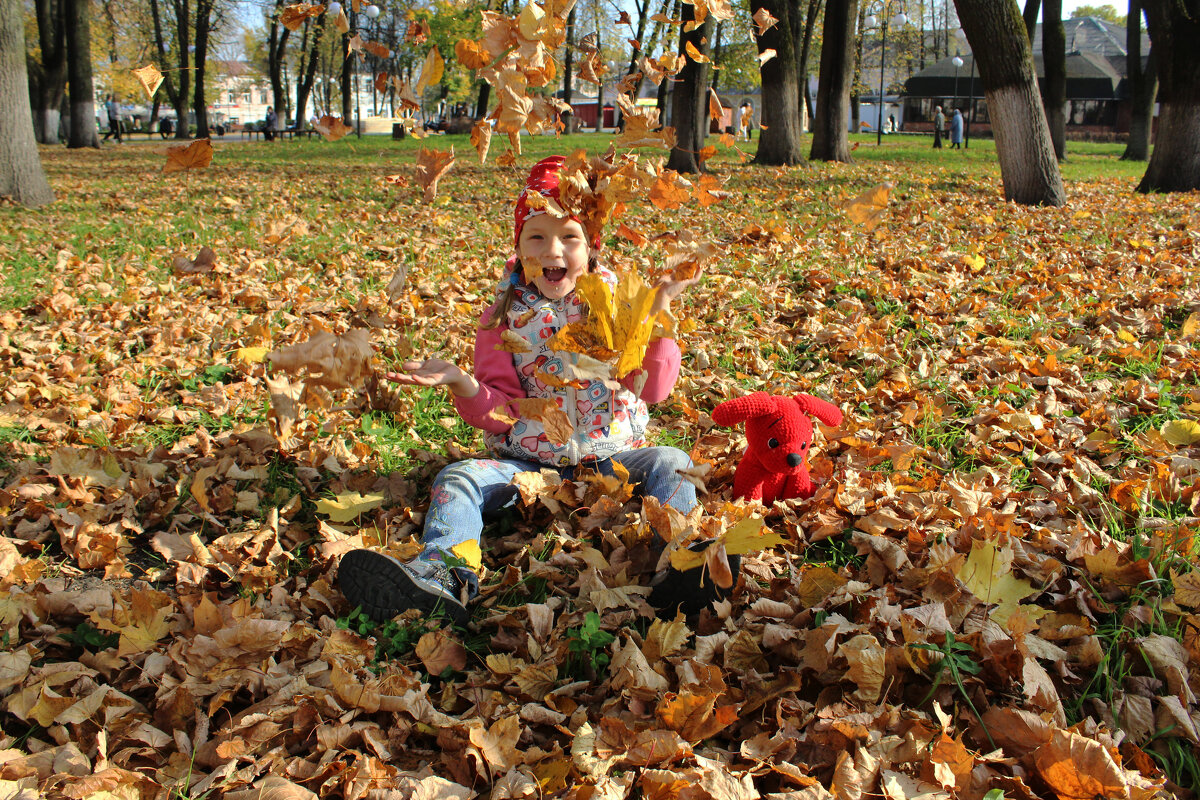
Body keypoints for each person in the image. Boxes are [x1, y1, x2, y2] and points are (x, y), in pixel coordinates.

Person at [337, 156, 736, 626]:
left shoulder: (618, 304)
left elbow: (653, 391)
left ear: (592, 247)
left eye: (569, 237)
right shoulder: (501, 317)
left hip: (612, 458)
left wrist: (660, 318)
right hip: (528, 466)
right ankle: (442, 575)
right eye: (537, 237)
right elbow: (500, 410)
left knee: (674, 462)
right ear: (519, 247)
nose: (554, 250)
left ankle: (685, 563)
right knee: (459, 478)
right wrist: (464, 384)